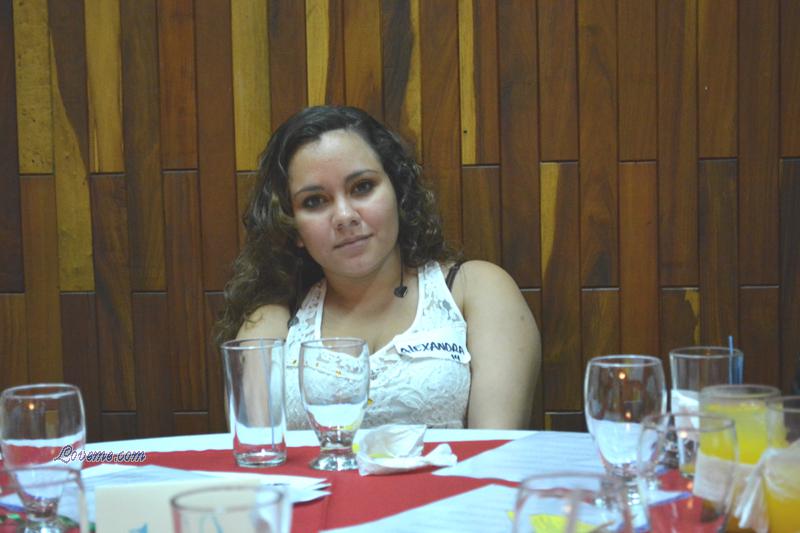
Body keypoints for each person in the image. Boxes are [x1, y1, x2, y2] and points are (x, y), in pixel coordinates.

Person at [216, 105, 540, 429]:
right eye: (314, 201)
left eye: (362, 187)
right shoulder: (275, 322)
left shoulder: (476, 289)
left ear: (398, 192)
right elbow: (256, 454)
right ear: (291, 227)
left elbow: (496, 448)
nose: (345, 216)